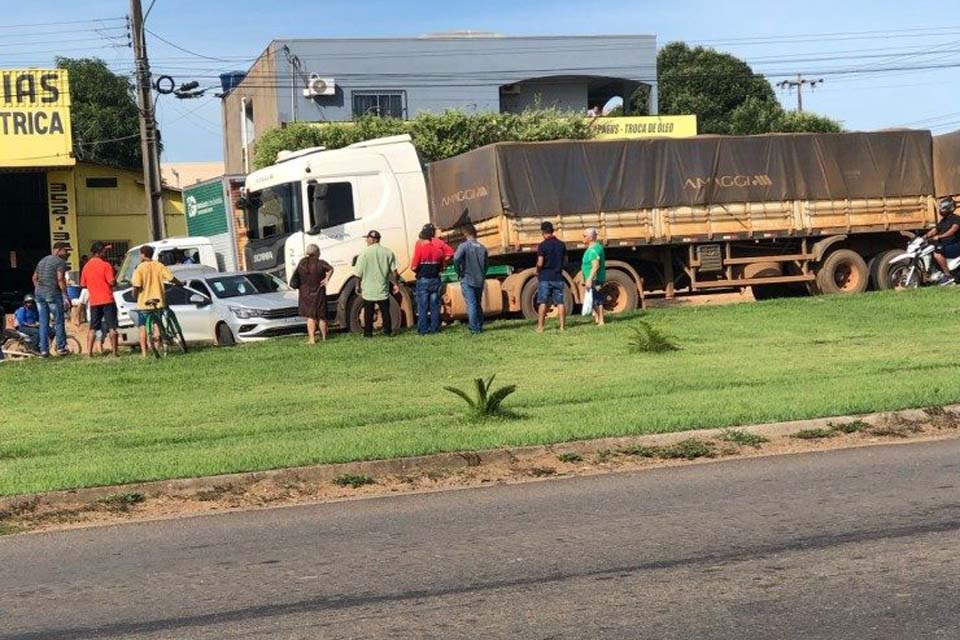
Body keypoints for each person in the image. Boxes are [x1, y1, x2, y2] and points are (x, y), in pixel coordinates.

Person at [131, 244, 183, 358]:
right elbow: (170, 278)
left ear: (143, 254)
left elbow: (136, 285)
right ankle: (157, 348)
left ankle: (144, 353)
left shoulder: (139, 268)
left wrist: (134, 295)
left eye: (140, 253)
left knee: (142, 328)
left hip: (143, 303)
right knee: (157, 325)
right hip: (158, 302)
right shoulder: (159, 265)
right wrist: (180, 283)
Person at [353, 230, 399, 338]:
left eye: (367, 238)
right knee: (385, 311)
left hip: (368, 289)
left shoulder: (364, 253)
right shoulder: (388, 252)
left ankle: (368, 333)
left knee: (368, 312)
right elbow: (394, 271)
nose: (366, 240)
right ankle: (387, 331)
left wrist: (357, 285)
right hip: (382, 287)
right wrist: (396, 284)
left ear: (372, 239)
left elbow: (358, 272)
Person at [32, 241, 72, 357]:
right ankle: (61, 348)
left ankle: (43, 350)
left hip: (39, 295)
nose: (67, 253)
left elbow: (34, 278)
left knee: (43, 322)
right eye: (66, 250)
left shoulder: (42, 260)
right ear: (59, 250)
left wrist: (39, 289)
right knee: (59, 321)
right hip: (53, 294)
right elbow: (60, 279)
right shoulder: (60, 262)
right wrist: (65, 295)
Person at [80, 241, 119, 357]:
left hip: (94, 301)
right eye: (104, 251)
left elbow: (83, 284)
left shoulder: (86, 266)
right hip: (107, 299)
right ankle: (115, 352)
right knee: (112, 327)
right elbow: (111, 281)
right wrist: (115, 282)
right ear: (99, 251)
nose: (105, 253)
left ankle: (89, 353)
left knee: (92, 328)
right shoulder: (106, 265)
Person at [290, 244, 334, 343]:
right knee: (321, 315)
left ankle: (312, 339)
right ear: (317, 252)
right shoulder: (321, 263)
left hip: (305, 292)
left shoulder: (302, 263)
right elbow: (331, 269)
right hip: (319, 291)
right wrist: (327, 279)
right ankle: (324, 338)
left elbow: (296, 275)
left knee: (310, 316)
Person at [453, 224, 488, 335]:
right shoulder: (483, 248)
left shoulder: (464, 246)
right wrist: (482, 273)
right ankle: (480, 325)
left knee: (471, 304)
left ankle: (474, 328)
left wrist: (458, 270)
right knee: (478, 303)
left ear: (465, 234)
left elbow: (456, 258)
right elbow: (486, 265)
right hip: (480, 279)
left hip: (467, 278)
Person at [410, 229, 445, 335]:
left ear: (422, 239)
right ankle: (435, 328)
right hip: (435, 280)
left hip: (423, 280)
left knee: (423, 306)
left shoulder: (420, 250)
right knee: (434, 305)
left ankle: (423, 329)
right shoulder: (438, 251)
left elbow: (413, 267)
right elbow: (442, 267)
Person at [535, 221, 567, 333]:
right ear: (552, 231)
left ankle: (540, 327)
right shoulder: (561, 244)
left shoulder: (542, 245)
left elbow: (540, 262)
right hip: (558, 277)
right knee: (560, 302)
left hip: (545, 277)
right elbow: (565, 260)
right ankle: (562, 327)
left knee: (543, 302)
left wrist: (537, 270)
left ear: (543, 232)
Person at [925, 197, 960, 285]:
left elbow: (952, 230)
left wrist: (939, 237)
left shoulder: (956, 219)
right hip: (946, 244)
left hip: (955, 245)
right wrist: (924, 237)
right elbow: (935, 230)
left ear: (950, 208)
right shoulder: (943, 221)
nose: (941, 210)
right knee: (928, 249)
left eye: (943, 208)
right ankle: (934, 271)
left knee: (937, 252)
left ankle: (948, 275)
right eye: (940, 208)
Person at [581, 228, 607, 327]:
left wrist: (589, 279)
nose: (582, 238)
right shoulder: (595, 247)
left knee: (597, 299)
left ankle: (601, 321)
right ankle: (597, 318)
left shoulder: (593, 250)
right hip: (593, 278)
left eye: (584, 236)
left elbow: (595, 265)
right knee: (593, 298)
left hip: (595, 279)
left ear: (591, 237)